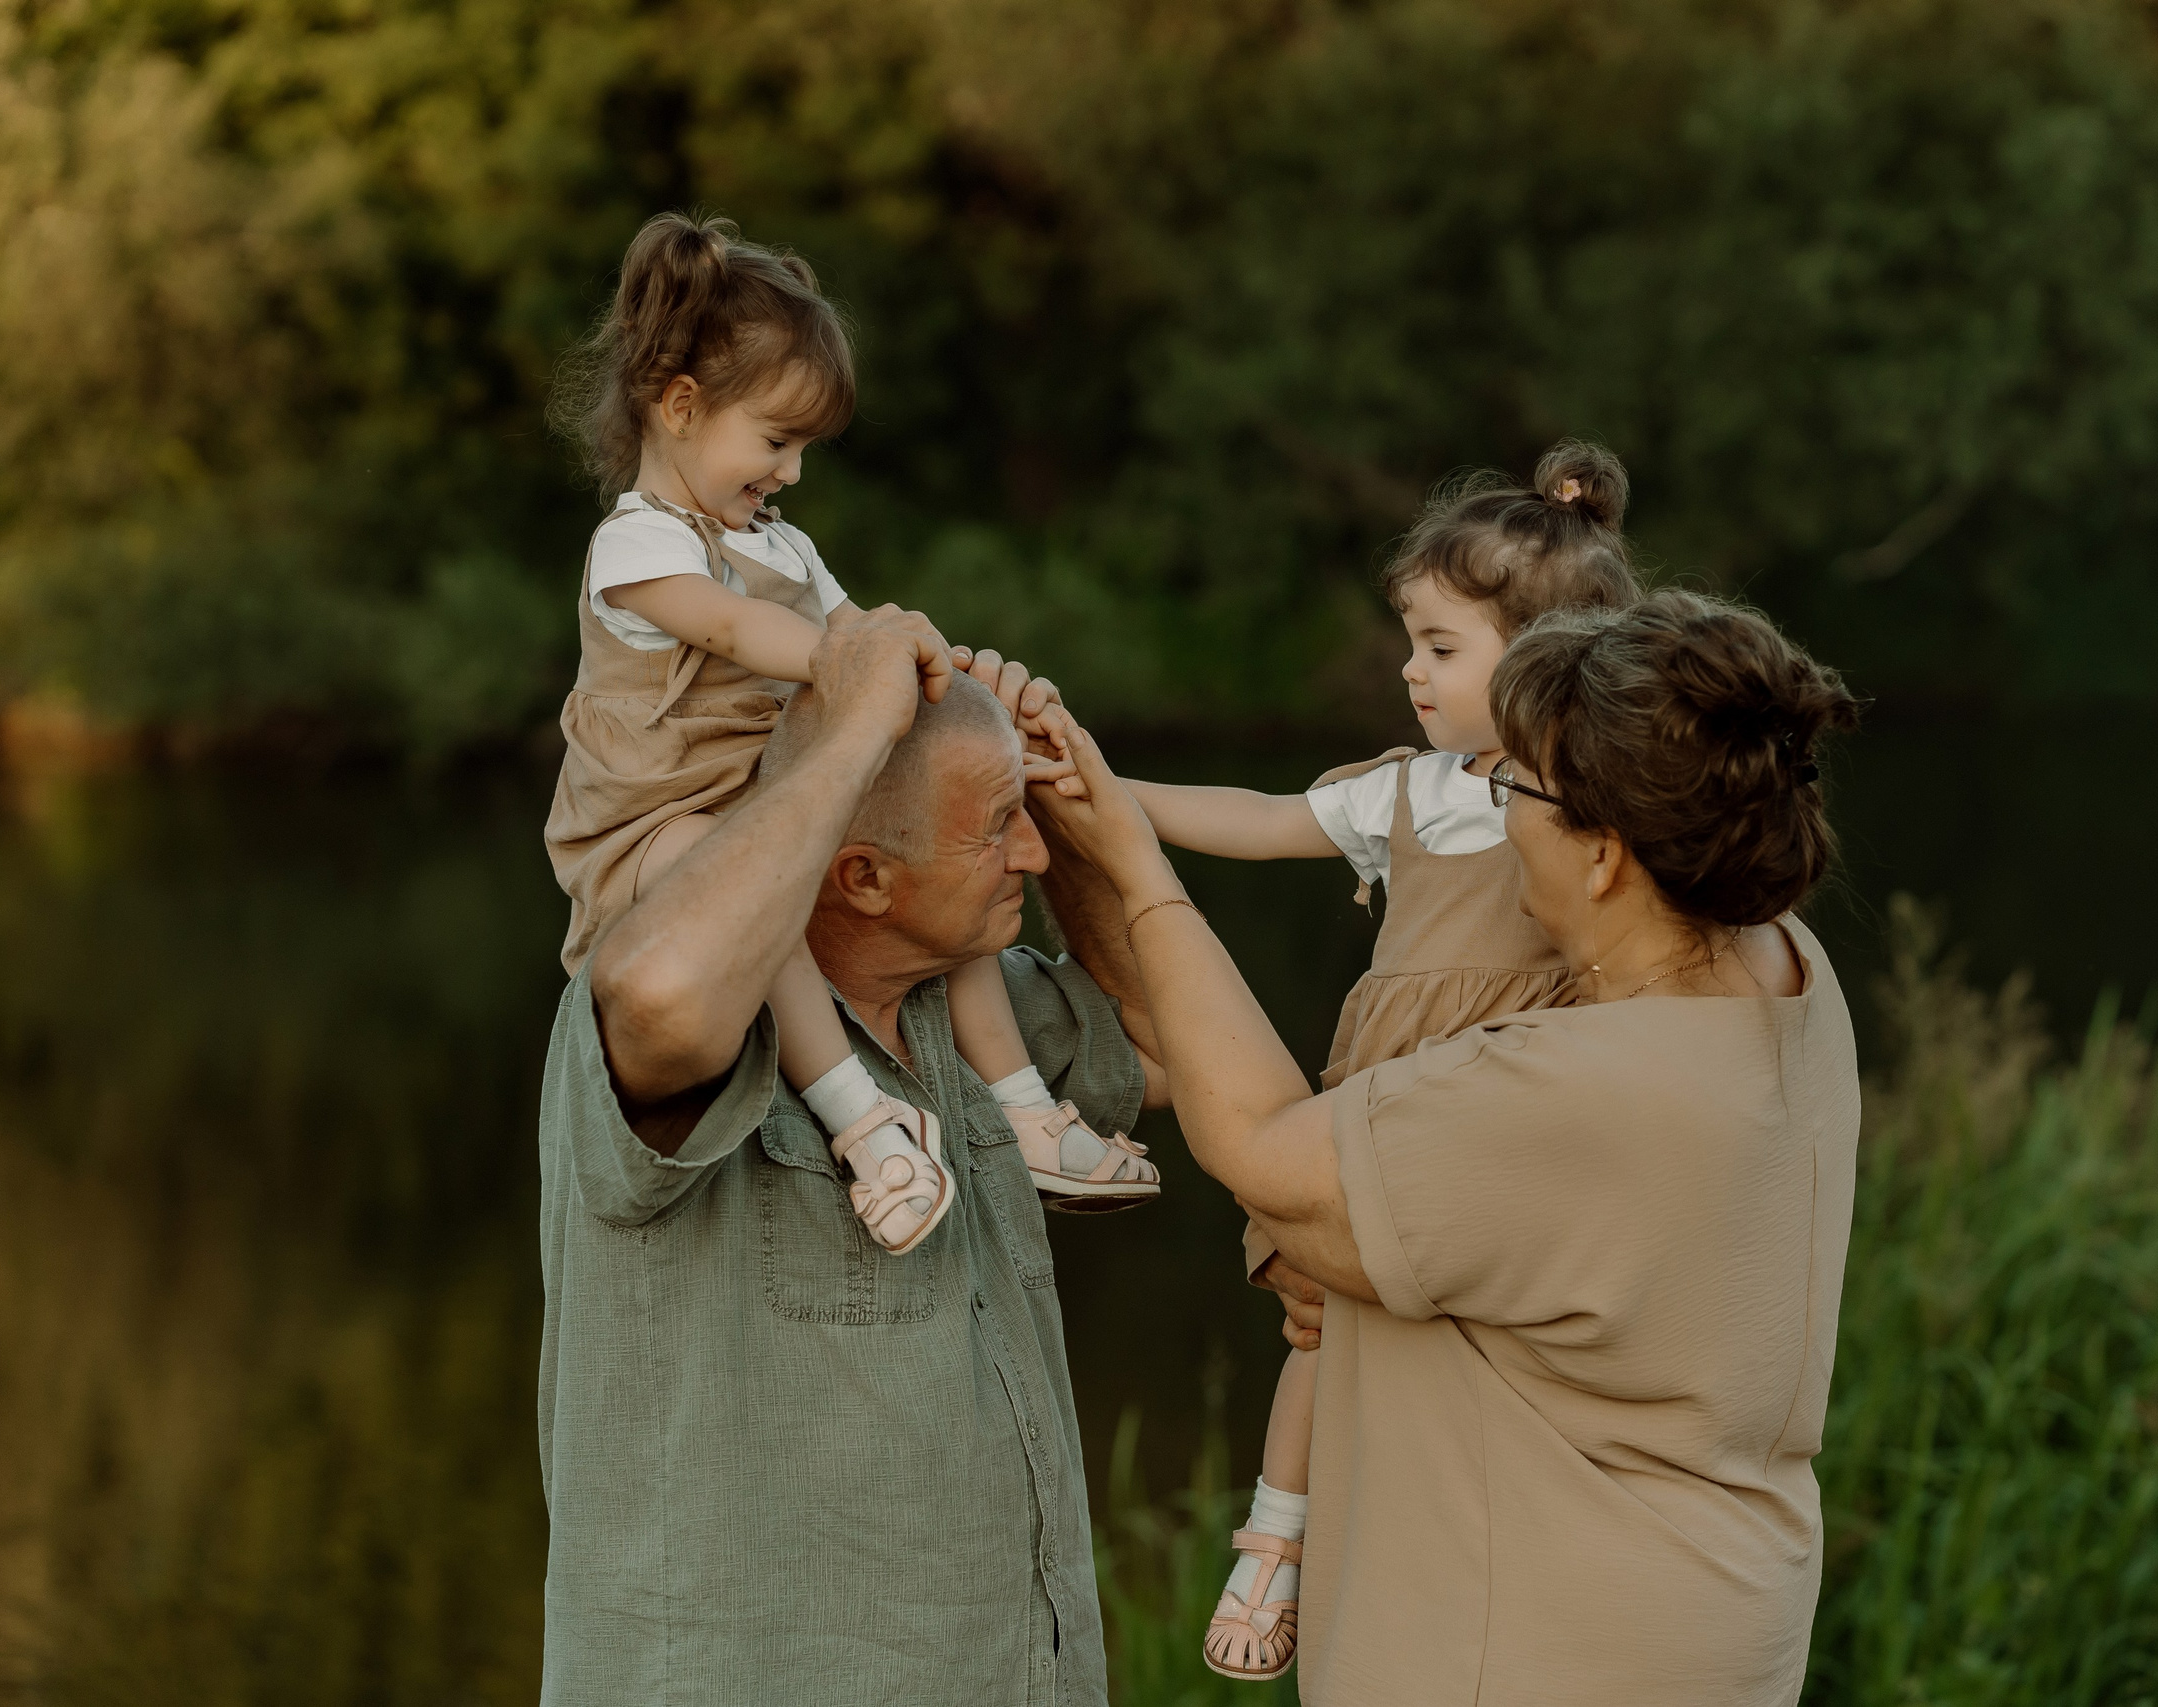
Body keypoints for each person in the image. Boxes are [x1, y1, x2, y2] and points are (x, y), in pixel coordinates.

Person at [1029, 588, 1866, 1704]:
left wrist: (1133, 870)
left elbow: (1263, 1147)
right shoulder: (1785, 967)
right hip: (1713, 1619)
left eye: (1514, 786)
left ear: (1606, 855)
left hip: (1532, 1652)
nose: (1497, 814)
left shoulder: (1566, 1094)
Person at [537, 606, 1163, 1703]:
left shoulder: (976, 1011)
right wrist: (860, 726)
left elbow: (1173, 1046)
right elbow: (661, 997)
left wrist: (1065, 805)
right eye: (999, 828)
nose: (1028, 854)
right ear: (863, 878)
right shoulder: (688, 1018)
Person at [1113, 441, 1642, 1679]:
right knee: (1323, 1324)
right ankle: (1275, 1537)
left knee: (1464, 1339)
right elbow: (1259, 818)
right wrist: (1102, 787)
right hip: (1385, 1107)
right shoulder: (1408, 794)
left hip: (1506, 1110)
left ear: (1543, 657)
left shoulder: (1592, 804)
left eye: (1439, 647)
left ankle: (1480, 1547)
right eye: (1412, 642)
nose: (1409, 670)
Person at [541, 211, 1155, 1259]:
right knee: (745, 882)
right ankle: (864, 1124)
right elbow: (742, 631)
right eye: (775, 441)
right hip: (657, 824)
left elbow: (858, 631)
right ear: (680, 407)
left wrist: (949, 675)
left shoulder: (780, 543)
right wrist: (860, 663)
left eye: (802, 449)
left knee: (941, 893)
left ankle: (1023, 1110)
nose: (789, 471)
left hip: (773, 799)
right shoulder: (637, 544)